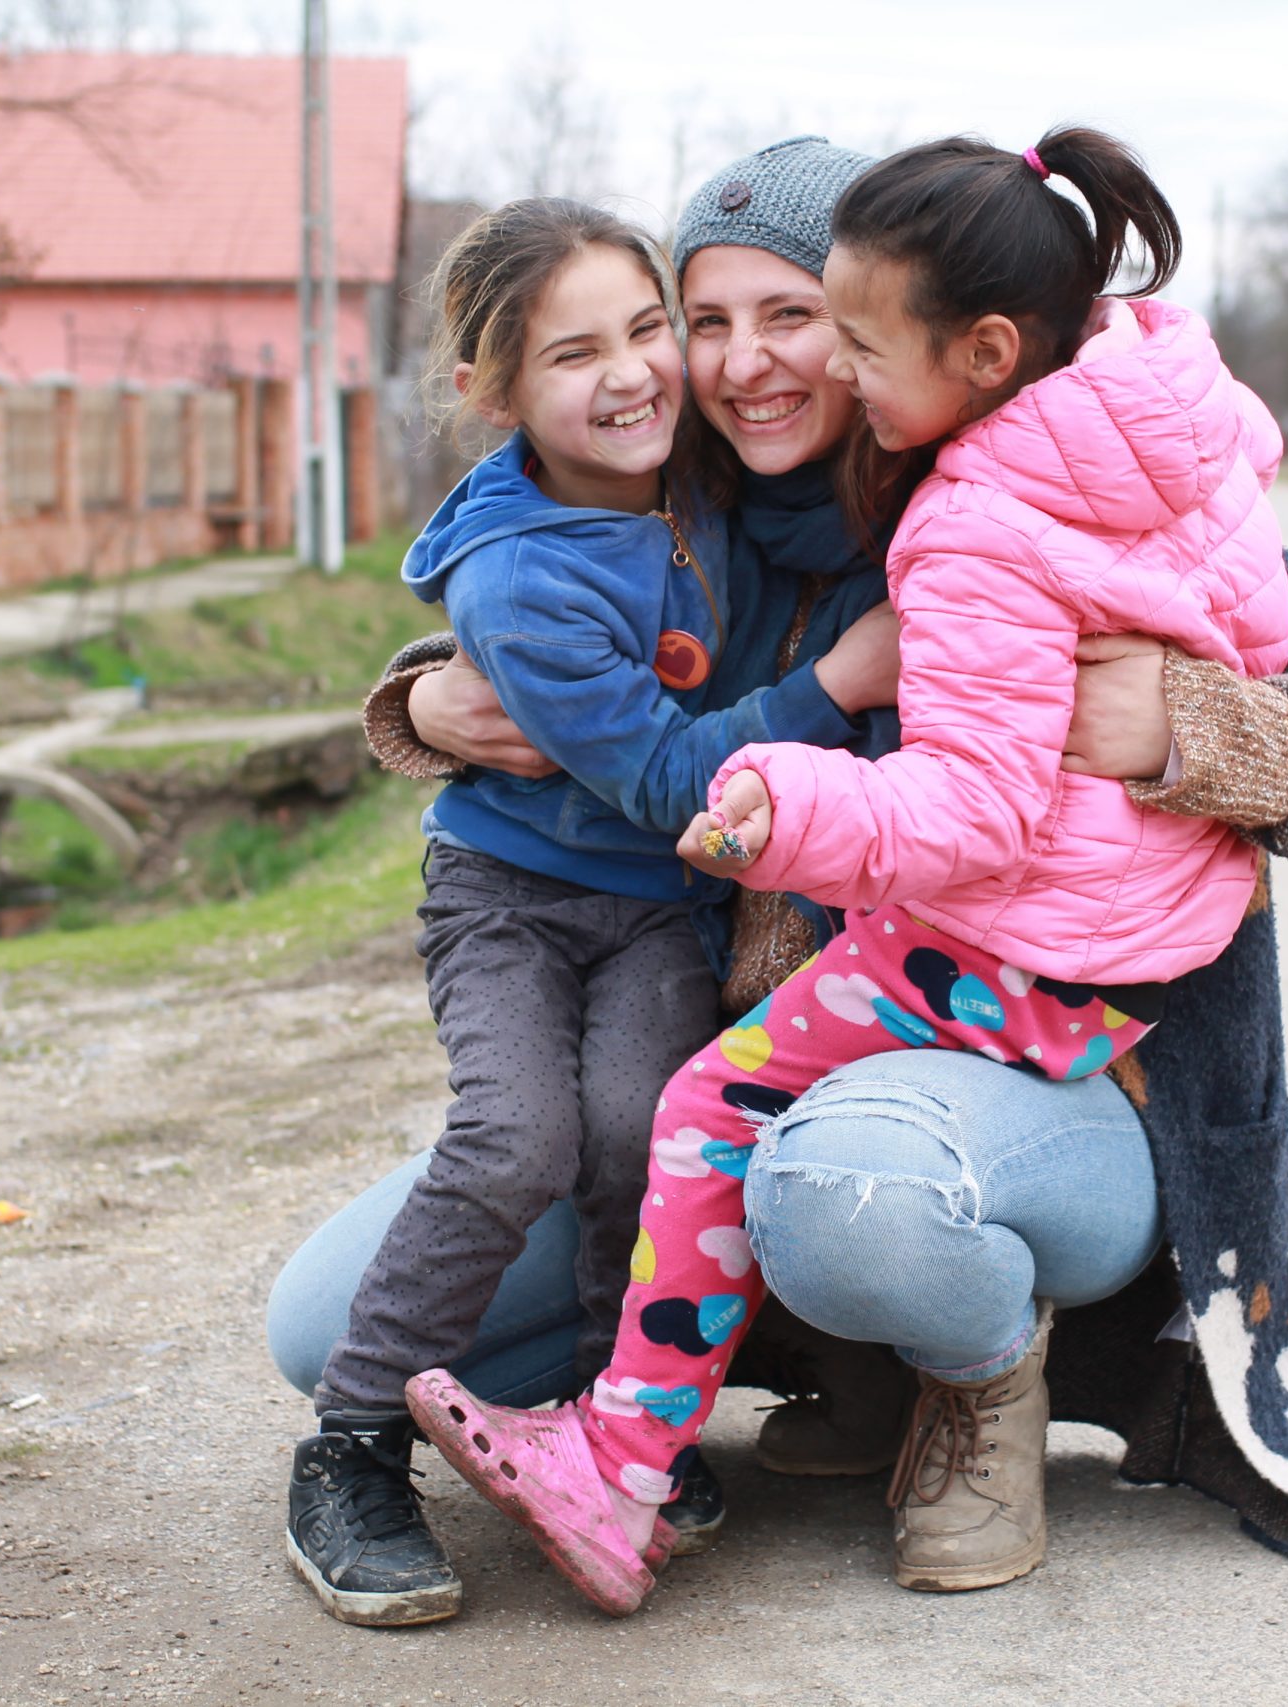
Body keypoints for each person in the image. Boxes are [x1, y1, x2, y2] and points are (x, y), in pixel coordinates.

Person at [268, 134, 1288, 1622]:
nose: (744, 362)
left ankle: (976, 1383)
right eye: (709, 319)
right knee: (325, 1328)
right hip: (738, 1071)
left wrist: (1197, 729)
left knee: (843, 1187)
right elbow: (564, 616)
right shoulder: (683, 496)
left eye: (794, 315)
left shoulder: (1038, 477)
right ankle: (758, 1389)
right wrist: (423, 703)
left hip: (1045, 1082)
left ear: (877, 319)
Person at [281, 197, 901, 1627]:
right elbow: (678, 778)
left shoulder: (693, 465)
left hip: (655, 916)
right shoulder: (520, 575)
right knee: (518, 1137)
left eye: (645, 331)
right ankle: (351, 1446)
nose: (631, 374)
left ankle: (608, 1429)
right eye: (575, 355)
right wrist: (841, 683)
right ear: (493, 397)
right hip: (516, 898)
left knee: (641, 1127)